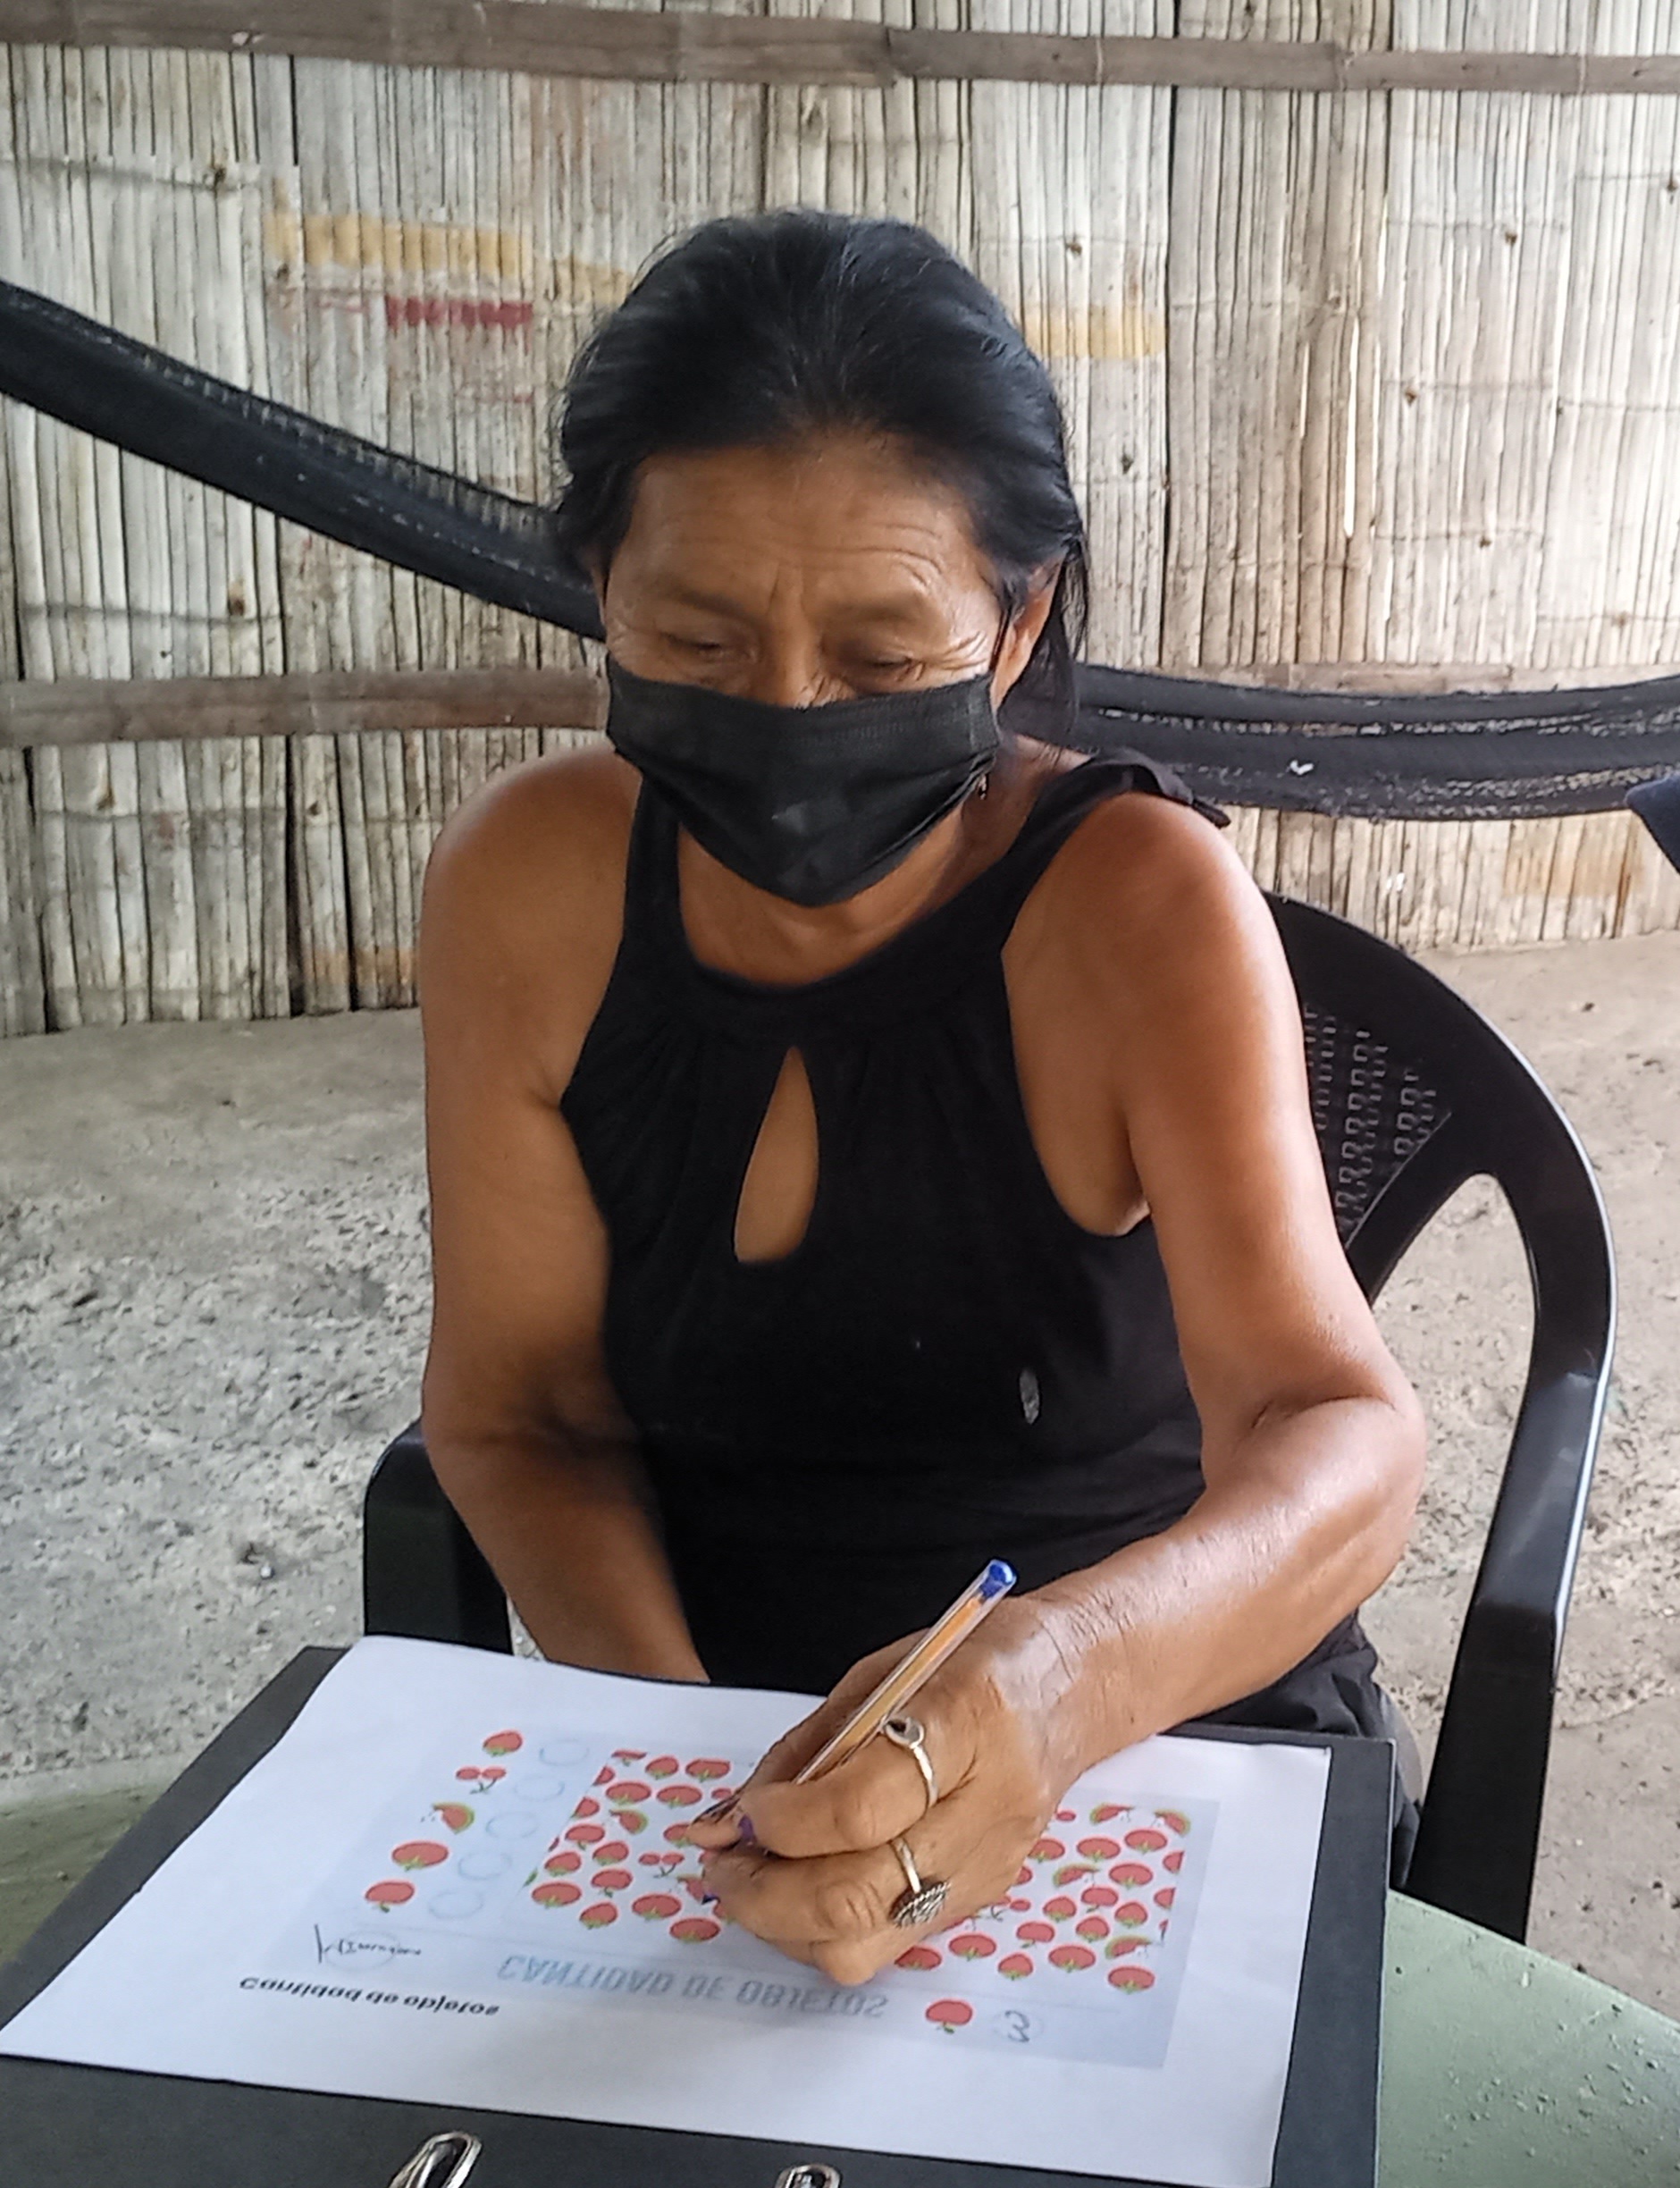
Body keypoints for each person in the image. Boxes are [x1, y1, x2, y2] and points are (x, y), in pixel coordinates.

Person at [418, 211, 1426, 1986]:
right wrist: (693, 1765)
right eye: (698, 641)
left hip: (1152, 1735)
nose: (790, 710)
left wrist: (1057, 1685)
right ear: (599, 585)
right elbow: (524, 1420)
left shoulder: (1139, 907)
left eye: (883, 658)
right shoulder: (529, 891)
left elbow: (1338, 1436)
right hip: (717, 1752)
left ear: (1015, 619)